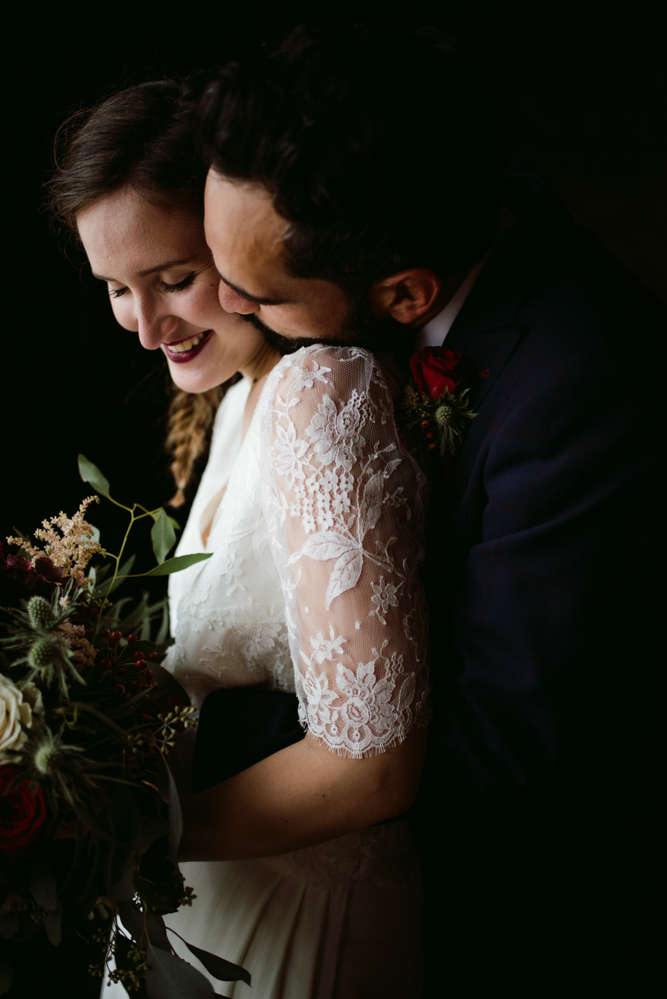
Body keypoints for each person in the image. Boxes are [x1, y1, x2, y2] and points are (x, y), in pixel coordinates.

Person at [198, 22, 666, 996]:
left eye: (256, 297)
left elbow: (505, 735)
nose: (223, 310)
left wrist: (194, 757)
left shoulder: (582, 381)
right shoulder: (470, 251)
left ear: (404, 294)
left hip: (531, 919)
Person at [49, 78, 430, 998]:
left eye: (174, 279)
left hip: (294, 925)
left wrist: (125, 829)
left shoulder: (316, 393)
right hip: (203, 909)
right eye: (115, 290)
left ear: (234, 237)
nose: (146, 329)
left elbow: (373, 764)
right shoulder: (236, 407)